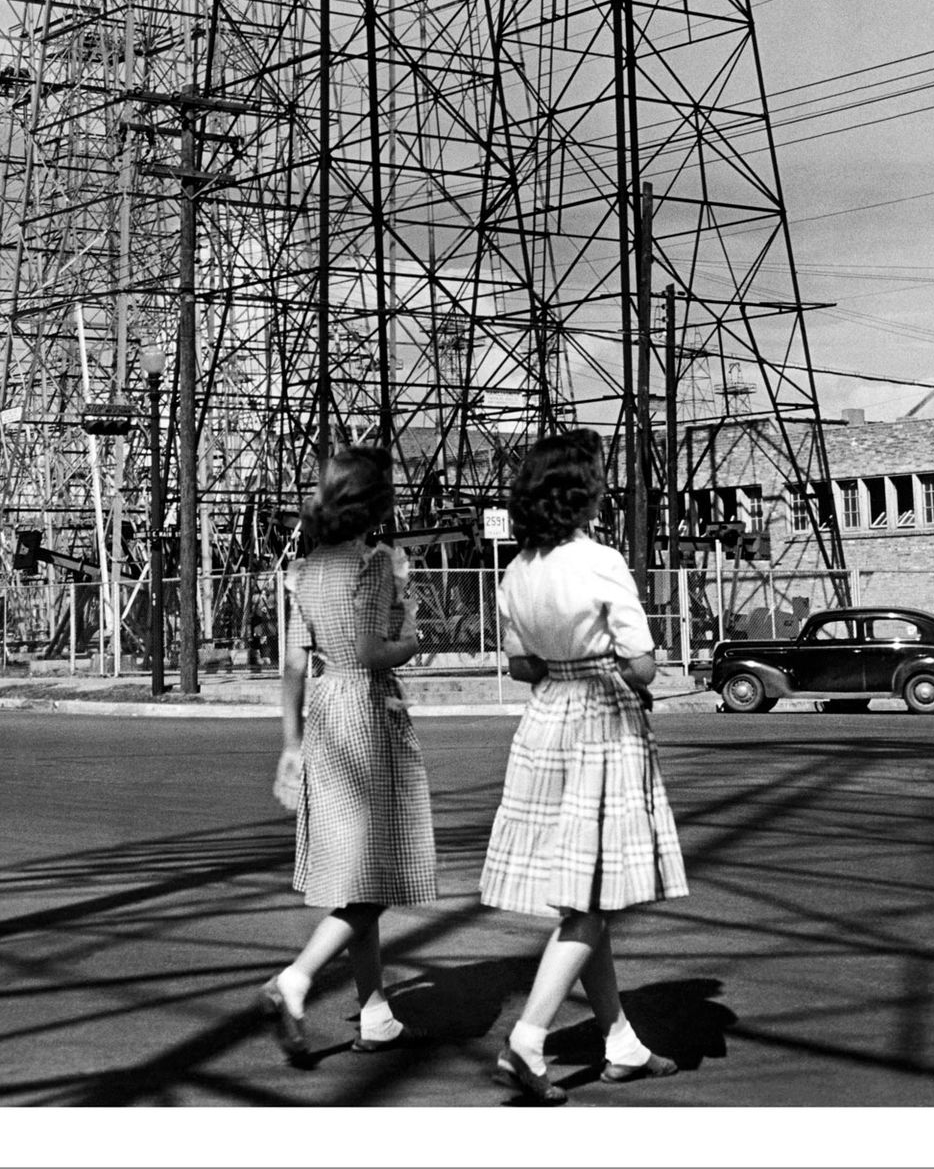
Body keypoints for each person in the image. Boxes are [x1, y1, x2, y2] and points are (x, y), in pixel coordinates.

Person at [480, 428, 688, 1103]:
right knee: (591, 893)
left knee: (584, 891)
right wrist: (635, 674)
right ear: (582, 491)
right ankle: (528, 1037)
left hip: (545, 720)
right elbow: (642, 661)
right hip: (601, 717)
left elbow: (519, 664)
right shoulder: (598, 561)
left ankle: (619, 1041)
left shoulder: (516, 570)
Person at [262, 445, 437, 1061]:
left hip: (324, 717)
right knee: (379, 870)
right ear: (375, 500)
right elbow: (370, 650)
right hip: (367, 711)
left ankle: (376, 1013)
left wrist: (290, 745)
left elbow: (291, 666)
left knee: (359, 871)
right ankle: (297, 978)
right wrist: (410, 638)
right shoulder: (372, 564)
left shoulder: (307, 569)